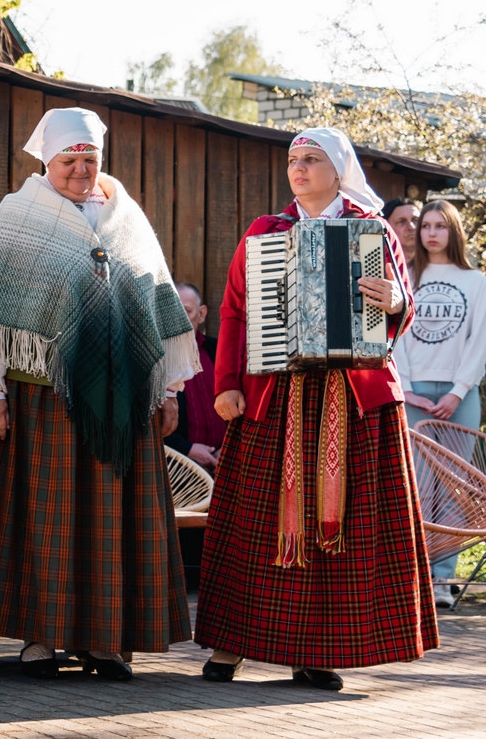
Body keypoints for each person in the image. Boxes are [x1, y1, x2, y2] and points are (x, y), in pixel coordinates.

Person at [198, 127, 437, 691]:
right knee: (255, 524)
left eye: (311, 160)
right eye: (292, 160)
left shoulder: (372, 230)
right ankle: (233, 643)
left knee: (346, 528)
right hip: (274, 394)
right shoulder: (266, 232)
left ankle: (318, 650)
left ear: (338, 170)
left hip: (353, 400)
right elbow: (235, 311)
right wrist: (226, 383)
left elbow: (398, 305)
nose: (298, 169)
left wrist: (398, 302)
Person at [0, 107, 199, 682]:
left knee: (110, 522)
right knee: (45, 520)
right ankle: (41, 639)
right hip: (45, 395)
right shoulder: (17, 217)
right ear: (48, 160)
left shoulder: (127, 218)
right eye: (68, 160)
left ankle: (104, 641)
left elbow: (158, 306)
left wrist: (167, 390)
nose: (79, 170)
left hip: (126, 401)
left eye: (89, 159)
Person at [395, 199, 485, 607]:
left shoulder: (476, 281)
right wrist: (407, 387)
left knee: (452, 488)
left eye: (439, 226)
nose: (430, 233)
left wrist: (458, 390)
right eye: (425, 225)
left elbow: (479, 342)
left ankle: (443, 580)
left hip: (458, 396)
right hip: (413, 394)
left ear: (453, 231)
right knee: (416, 485)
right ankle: (412, 575)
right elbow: (394, 336)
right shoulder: (406, 276)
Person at [167, 283, 225, 474]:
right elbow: (153, 418)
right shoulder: (159, 358)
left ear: (201, 314)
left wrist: (227, 448)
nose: (180, 320)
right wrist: (187, 449)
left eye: (187, 311)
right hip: (178, 467)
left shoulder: (219, 351)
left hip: (224, 463)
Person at [383, 198, 422, 272]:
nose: (411, 227)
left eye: (415, 220)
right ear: (387, 228)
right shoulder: (381, 268)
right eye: (401, 222)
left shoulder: (437, 265)